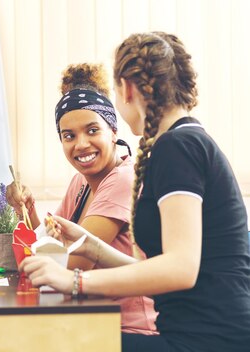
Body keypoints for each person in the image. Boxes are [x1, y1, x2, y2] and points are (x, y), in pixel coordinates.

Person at [20, 32, 250, 351]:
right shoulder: (185, 140)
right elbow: (171, 269)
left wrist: (75, 280)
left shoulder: (177, 147)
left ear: (126, 89)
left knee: (48, 340)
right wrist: (93, 248)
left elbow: (180, 269)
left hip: (204, 340)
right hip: (203, 334)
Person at [7, 63, 157, 335]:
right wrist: (26, 210)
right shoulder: (81, 183)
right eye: (69, 136)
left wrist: (42, 251)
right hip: (90, 319)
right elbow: (49, 244)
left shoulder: (123, 179)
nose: (81, 145)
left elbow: (75, 262)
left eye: (92, 130)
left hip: (127, 328)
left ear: (113, 132)